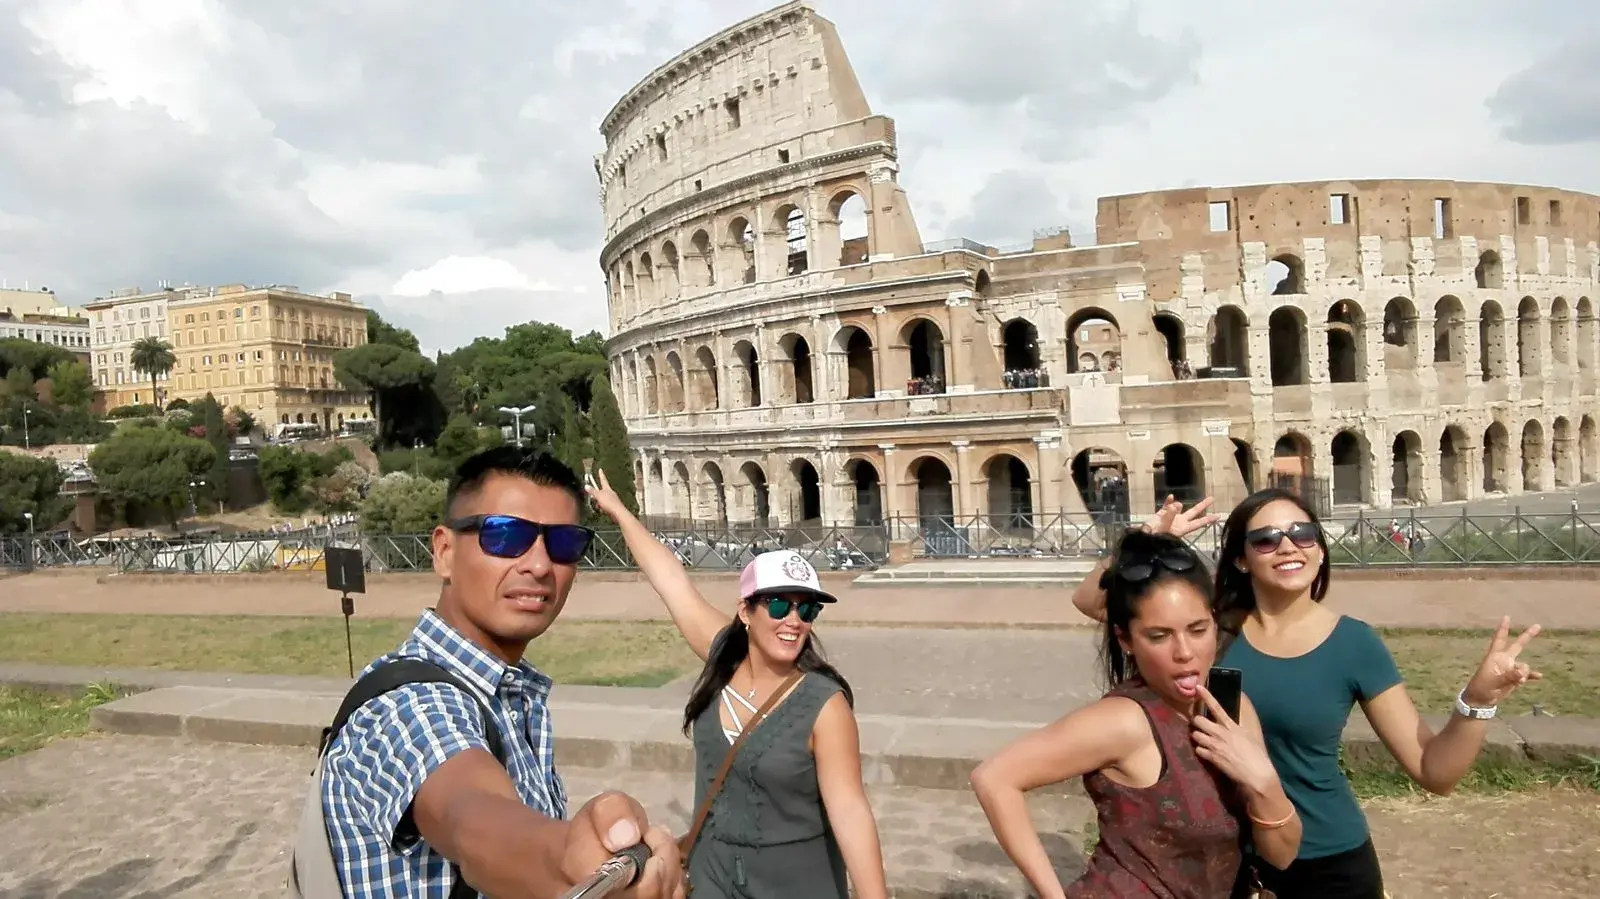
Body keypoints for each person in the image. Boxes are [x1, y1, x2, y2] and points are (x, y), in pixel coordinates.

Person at [1071, 488, 1543, 898]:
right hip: (1224, 858)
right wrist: (1145, 543)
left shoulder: (1354, 644)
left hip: (1327, 862)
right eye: (1266, 538)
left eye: (1303, 533)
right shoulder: (1207, 631)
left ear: (1319, 550)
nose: (1287, 546)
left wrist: (1478, 701)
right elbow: (1091, 600)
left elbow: (1433, 770)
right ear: (1241, 558)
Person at [320, 447, 683, 898]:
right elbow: (472, 820)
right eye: (506, 536)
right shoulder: (406, 707)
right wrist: (571, 861)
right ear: (444, 552)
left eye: (563, 543)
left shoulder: (510, 693)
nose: (539, 565)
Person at [586, 469, 890, 899]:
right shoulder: (723, 660)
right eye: (779, 605)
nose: (793, 621)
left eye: (807, 610)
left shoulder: (824, 704)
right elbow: (671, 581)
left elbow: (850, 811)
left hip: (795, 883)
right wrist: (620, 512)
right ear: (746, 612)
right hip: (711, 876)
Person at [972, 529, 1301, 898]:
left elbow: (1282, 855)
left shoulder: (1232, 708)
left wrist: (1264, 784)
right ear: (1126, 640)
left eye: (1197, 630)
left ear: (1214, 622)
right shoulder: (1126, 721)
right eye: (1159, 636)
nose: (1184, 652)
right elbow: (994, 779)